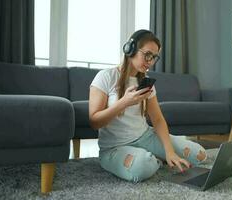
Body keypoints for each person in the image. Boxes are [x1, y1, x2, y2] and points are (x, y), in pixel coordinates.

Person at [89, 29, 207, 183]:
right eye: (147, 55)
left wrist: (170, 151)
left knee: (199, 155)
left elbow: (157, 119)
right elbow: (94, 122)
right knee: (142, 167)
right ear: (130, 49)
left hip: (146, 136)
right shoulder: (106, 77)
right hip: (114, 147)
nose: (150, 62)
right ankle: (148, 158)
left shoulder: (146, 82)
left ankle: (153, 154)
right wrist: (124, 102)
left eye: (154, 57)